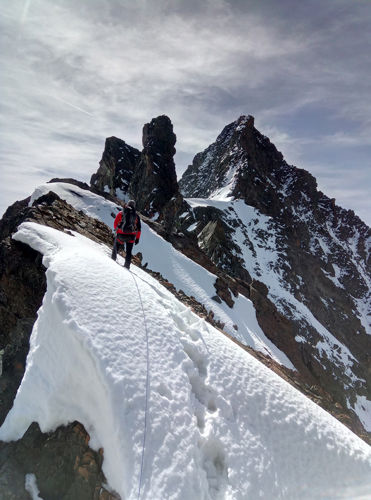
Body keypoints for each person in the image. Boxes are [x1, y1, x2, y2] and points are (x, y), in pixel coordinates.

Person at [112, 200, 141, 269]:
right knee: (128, 252)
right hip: (131, 237)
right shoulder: (136, 216)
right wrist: (137, 239)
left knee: (116, 247)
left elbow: (115, 223)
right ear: (134, 206)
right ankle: (127, 266)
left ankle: (113, 259)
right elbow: (139, 229)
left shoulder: (121, 213)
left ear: (127, 205)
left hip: (120, 235)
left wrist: (118, 230)